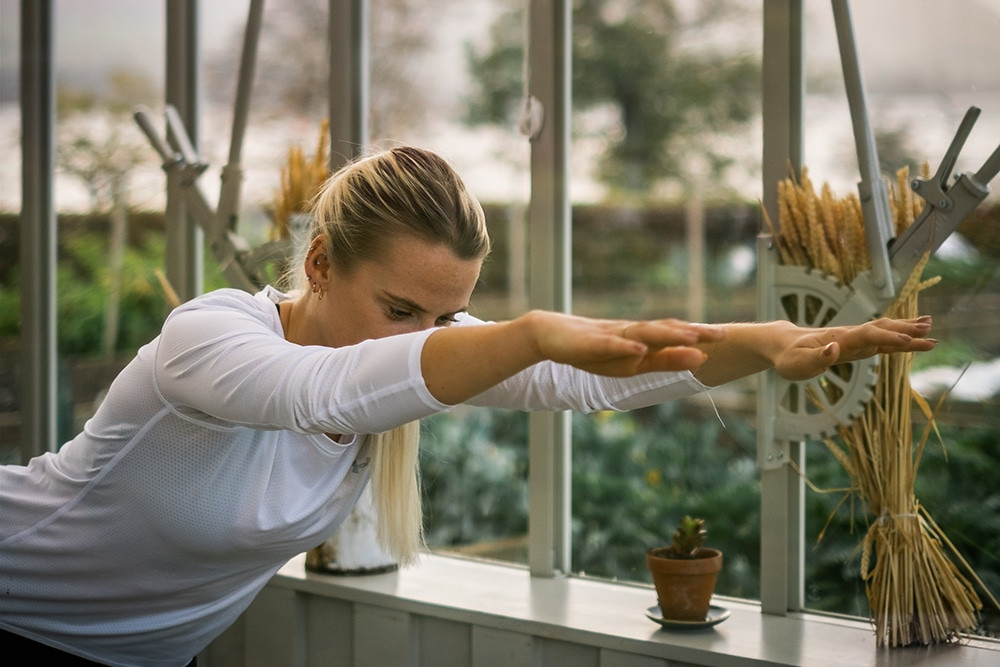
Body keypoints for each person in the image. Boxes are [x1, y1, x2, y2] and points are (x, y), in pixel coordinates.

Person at [0, 146, 936, 666]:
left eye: (446, 314)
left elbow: (584, 376)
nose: (426, 334)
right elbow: (310, 392)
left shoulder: (408, 357)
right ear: (319, 262)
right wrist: (523, 331)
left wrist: (760, 342)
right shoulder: (209, 340)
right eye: (400, 308)